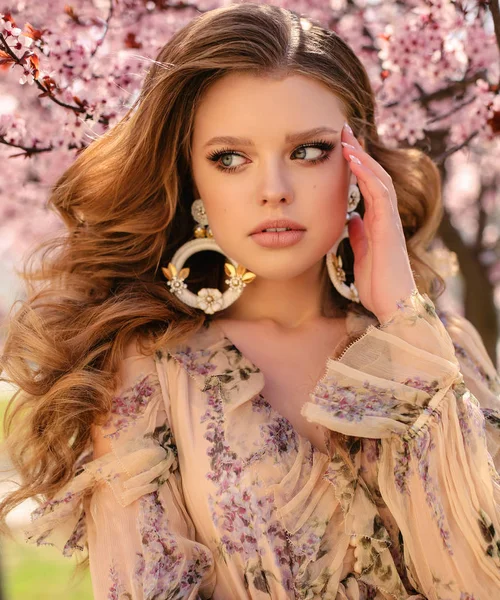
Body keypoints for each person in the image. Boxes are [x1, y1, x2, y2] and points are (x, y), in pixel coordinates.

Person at [0, 3, 499, 599]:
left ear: (359, 162)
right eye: (229, 158)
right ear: (192, 181)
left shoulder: (443, 352)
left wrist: (401, 319)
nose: (274, 191)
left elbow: (482, 574)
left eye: (309, 150)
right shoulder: (145, 371)